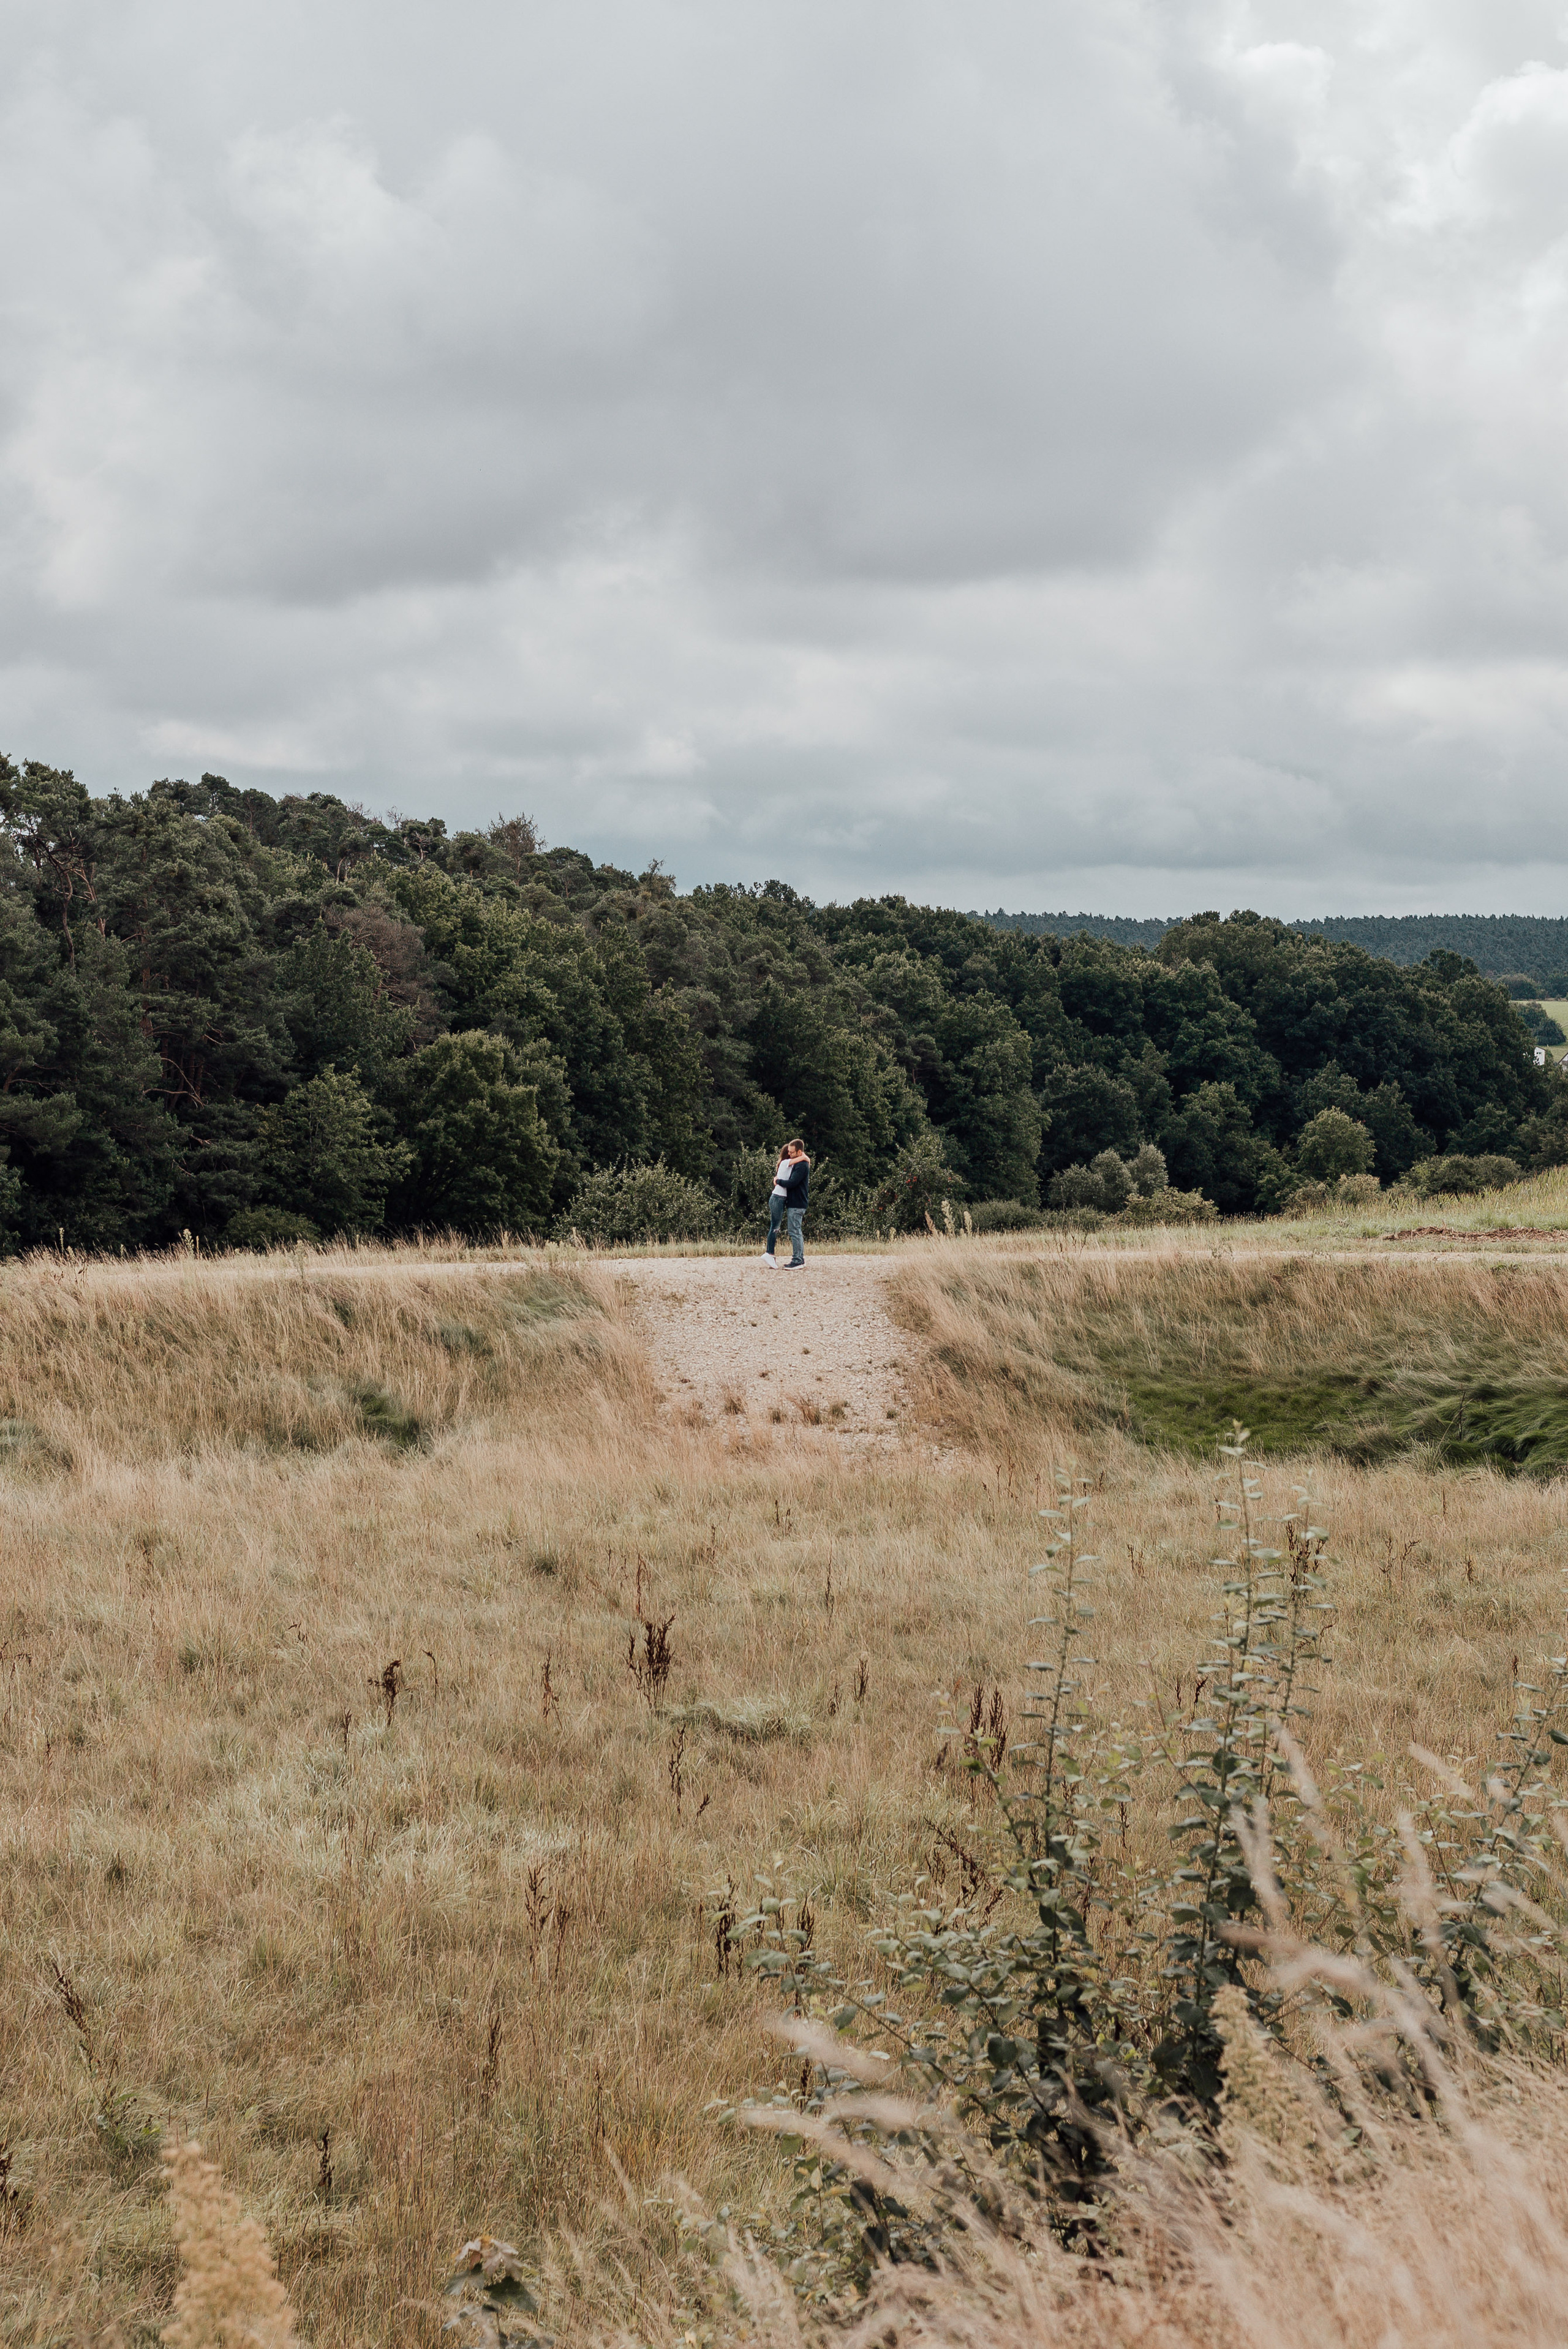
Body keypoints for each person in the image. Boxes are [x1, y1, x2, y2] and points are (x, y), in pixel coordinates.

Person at [764, 1138, 809, 1269]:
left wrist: (778, 1181)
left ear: (799, 1152)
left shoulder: (799, 1165)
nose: (790, 1154)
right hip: (787, 1200)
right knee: (785, 1228)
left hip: (795, 1203)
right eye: (788, 1152)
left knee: (794, 1230)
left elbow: (792, 1183)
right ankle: (794, 1258)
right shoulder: (789, 1163)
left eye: (792, 1152)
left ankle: (798, 1260)